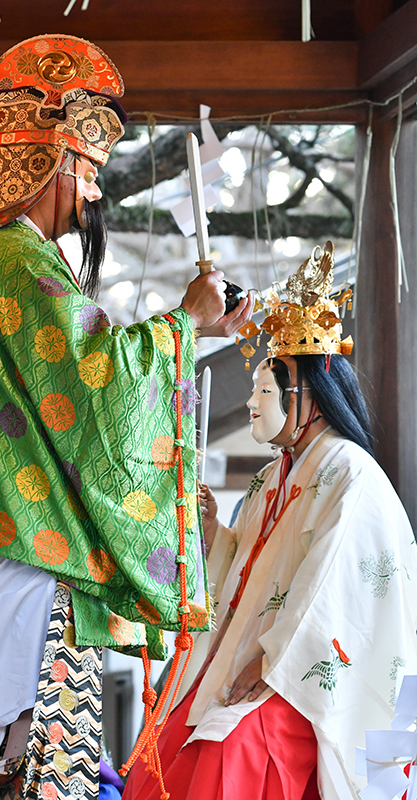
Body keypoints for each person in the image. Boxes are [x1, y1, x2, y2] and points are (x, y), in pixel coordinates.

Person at [0, 33, 253, 799]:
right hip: (34, 533)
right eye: (87, 173)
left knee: (19, 749)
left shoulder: (1, 260)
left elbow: (74, 376)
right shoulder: (16, 261)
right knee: (37, 757)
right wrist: (185, 324)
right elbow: (94, 379)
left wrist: (194, 331)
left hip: (22, 520)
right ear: (50, 165)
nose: (91, 193)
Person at [123, 242, 417, 800]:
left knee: (227, 751)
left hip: (301, 673)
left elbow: (333, 586)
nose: (254, 404)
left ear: (308, 393)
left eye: (264, 389)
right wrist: (214, 533)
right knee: (169, 739)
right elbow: (243, 566)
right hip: (249, 655)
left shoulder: (350, 473)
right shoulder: (268, 481)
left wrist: (272, 658)